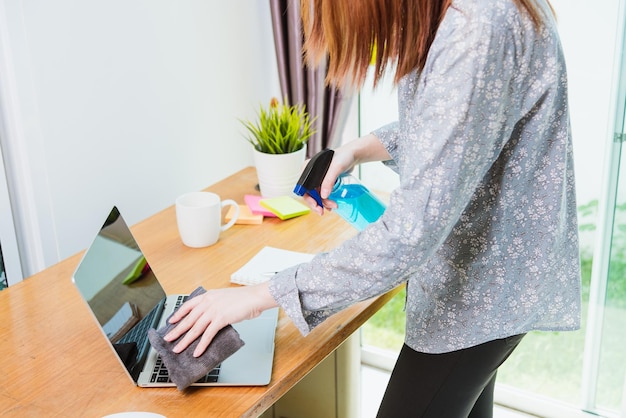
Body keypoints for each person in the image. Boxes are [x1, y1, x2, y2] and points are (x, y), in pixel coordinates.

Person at [164, 0, 581, 416]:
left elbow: (406, 238)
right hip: (496, 285)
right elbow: (461, 125)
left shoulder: (477, 28)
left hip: (481, 295)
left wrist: (258, 296)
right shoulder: (478, 14)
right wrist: (355, 150)